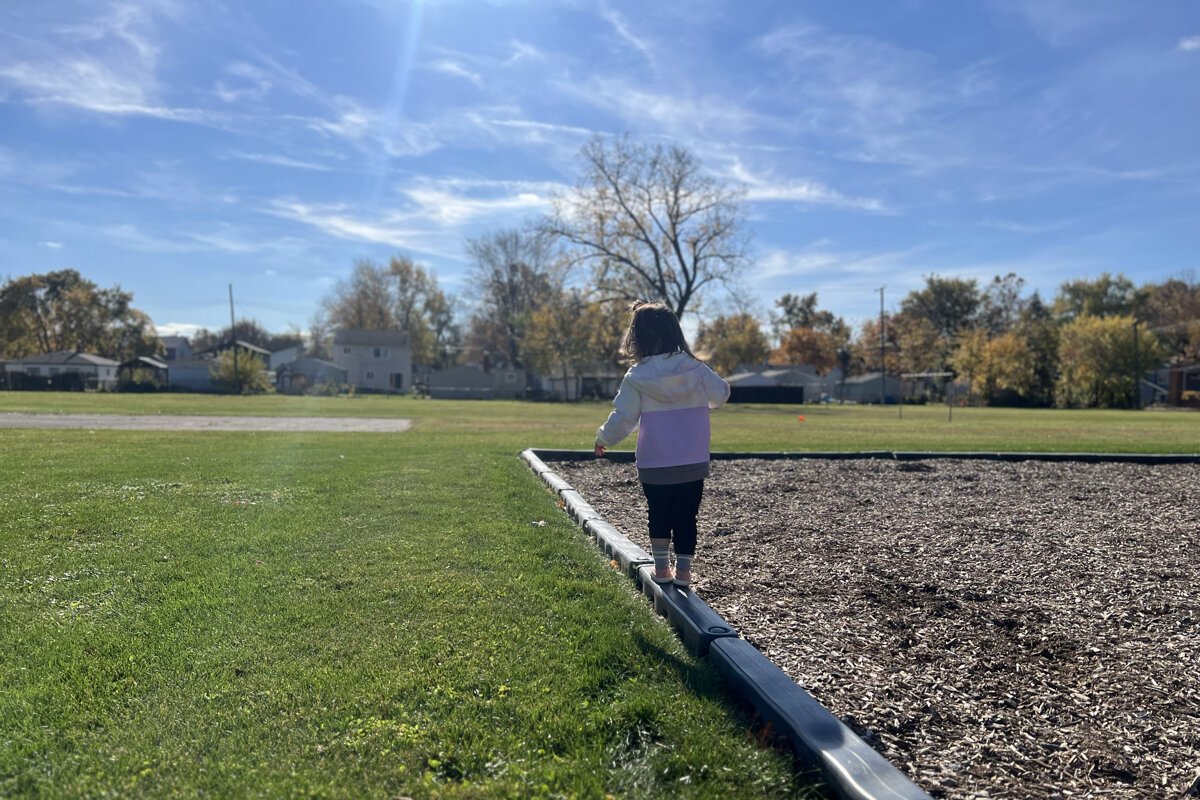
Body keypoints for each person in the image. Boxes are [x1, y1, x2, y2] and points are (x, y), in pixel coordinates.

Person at [594, 301, 730, 589]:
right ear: (675, 333)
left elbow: (624, 417)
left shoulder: (637, 376)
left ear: (637, 339)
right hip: (692, 459)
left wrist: (603, 438)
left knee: (658, 514)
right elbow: (721, 394)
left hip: (654, 461)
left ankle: (661, 569)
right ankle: (684, 574)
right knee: (686, 516)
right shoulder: (695, 368)